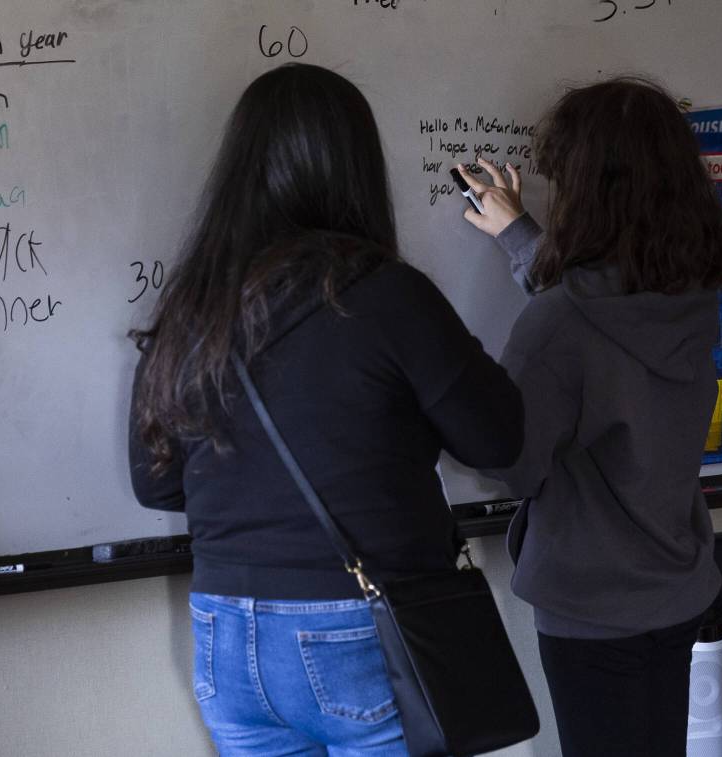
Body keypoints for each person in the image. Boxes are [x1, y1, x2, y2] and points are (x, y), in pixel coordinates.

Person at [128, 63, 523, 756]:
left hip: (224, 628)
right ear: (356, 168)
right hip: (360, 623)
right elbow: (498, 438)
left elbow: (154, 481)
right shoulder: (389, 295)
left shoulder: (194, 306)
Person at [457, 77, 722, 756]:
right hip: (676, 587)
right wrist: (523, 238)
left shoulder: (559, 324)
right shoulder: (695, 294)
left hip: (590, 606)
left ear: (587, 190)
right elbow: (607, 323)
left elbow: (511, 461)